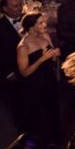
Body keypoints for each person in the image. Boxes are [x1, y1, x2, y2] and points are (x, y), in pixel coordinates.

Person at [15, 13, 61, 141]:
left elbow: (53, 60)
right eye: (40, 23)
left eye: (44, 22)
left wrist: (55, 55)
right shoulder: (23, 46)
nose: (45, 25)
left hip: (49, 80)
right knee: (40, 118)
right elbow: (24, 73)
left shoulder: (45, 36)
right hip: (34, 86)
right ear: (31, 26)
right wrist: (42, 59)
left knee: (53, 113)